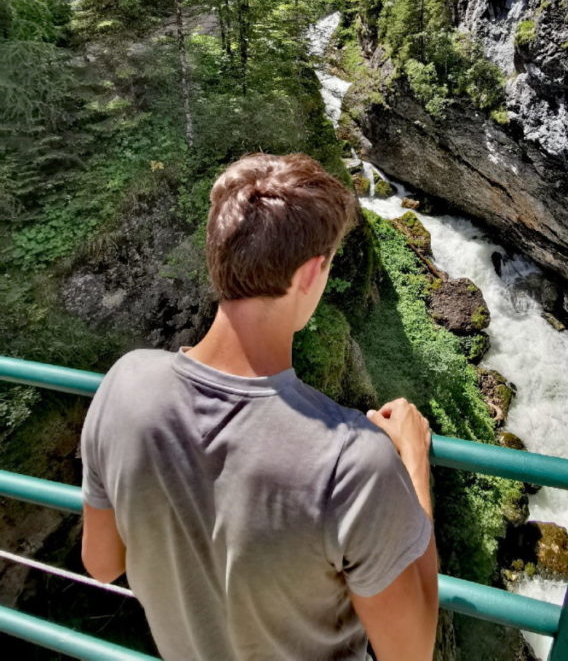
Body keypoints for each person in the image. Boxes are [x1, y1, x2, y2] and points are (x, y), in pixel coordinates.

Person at [80, 152, 438, 661]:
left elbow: (101, 562)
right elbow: (411, 653)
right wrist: (413, 467)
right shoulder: (352, 461)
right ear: (312, 274)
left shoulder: (125, 383)